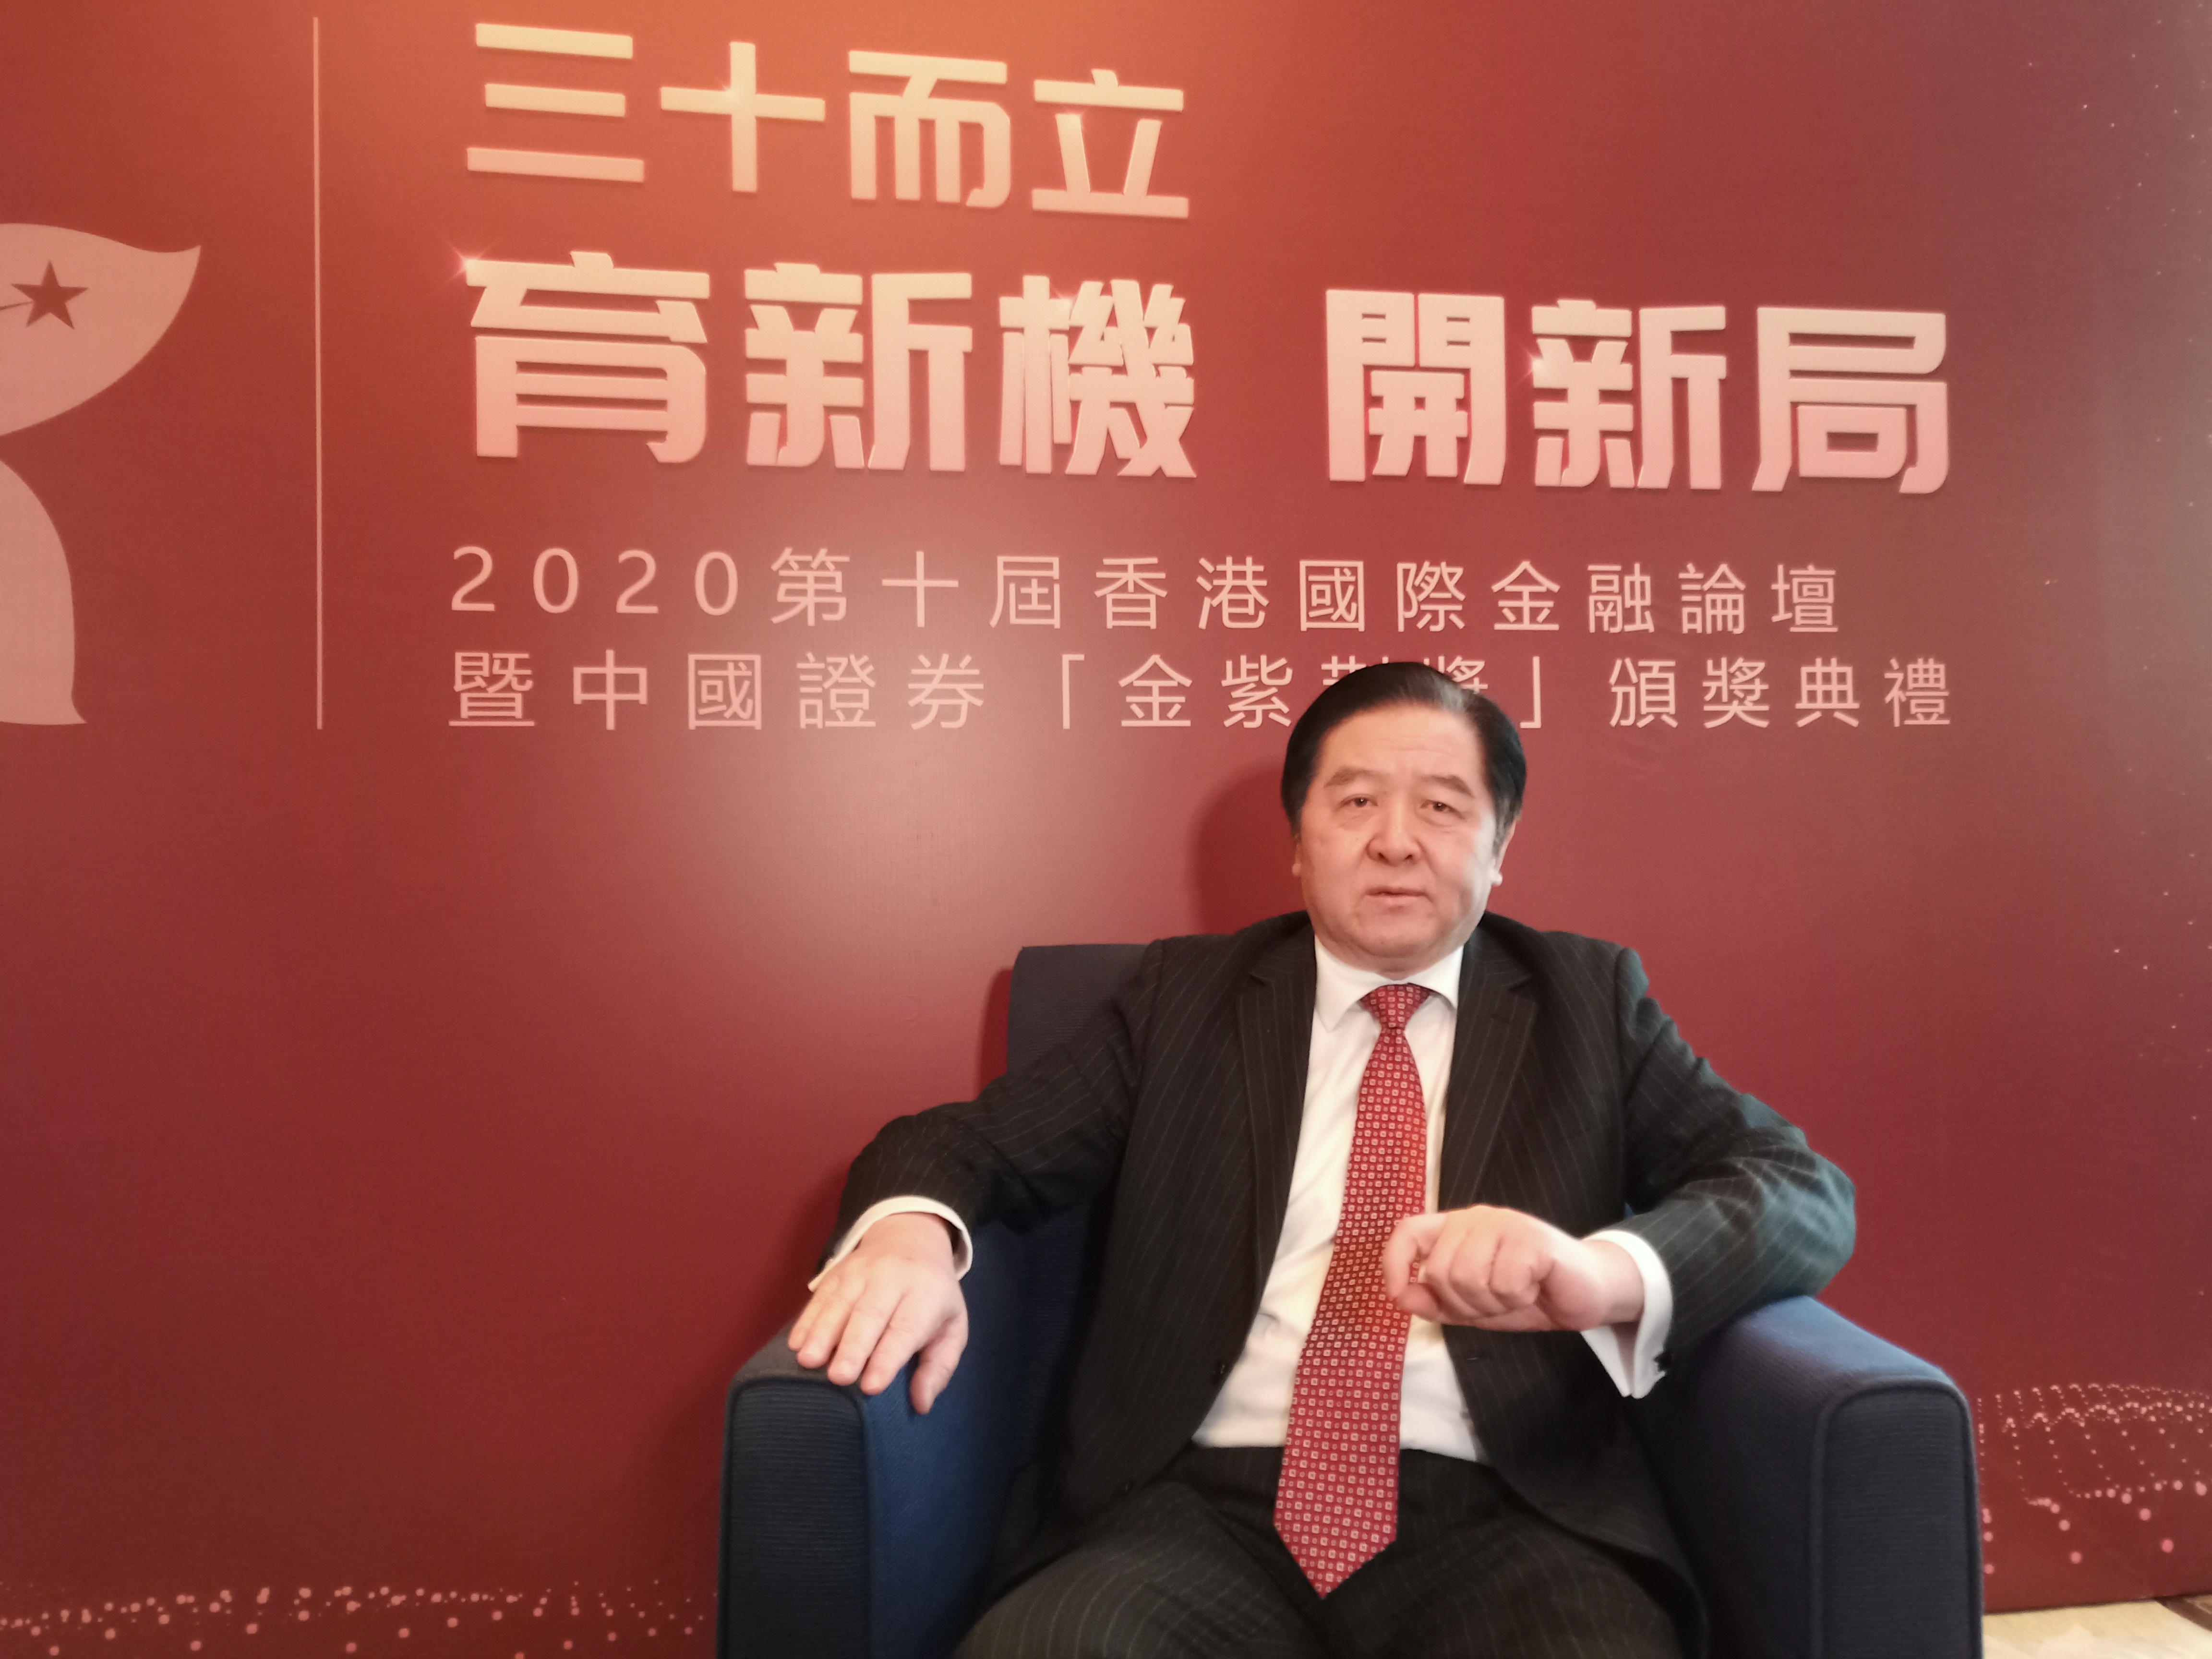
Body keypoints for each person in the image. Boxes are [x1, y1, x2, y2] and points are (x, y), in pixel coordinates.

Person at [790, 661, 1854, 1658]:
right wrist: (910, 1237)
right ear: (1299, 841)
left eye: (1443, 807)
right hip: (1192, 1510)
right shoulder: (1182, 1001)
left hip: (1511, 1512)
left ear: (1500, 844)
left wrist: (1600, 1273)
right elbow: (959, 1144)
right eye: (1356, 802)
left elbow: (1798, 1189)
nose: (1396, 842)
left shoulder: (1589, 1003)